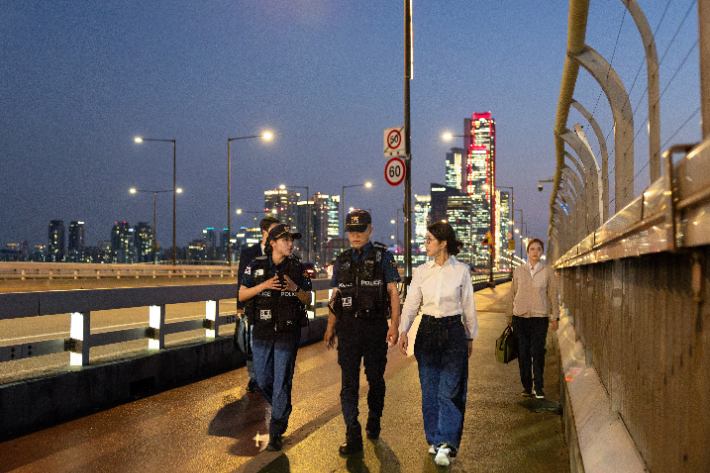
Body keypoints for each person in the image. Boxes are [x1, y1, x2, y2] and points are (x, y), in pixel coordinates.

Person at [398, 222, 478, 467]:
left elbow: (468, 306)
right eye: (425, 239)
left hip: (454, 330)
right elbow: (411, 304)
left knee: (451, 389)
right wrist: (403, 330)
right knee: (430, 390)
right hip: (428, 331)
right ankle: (434, 438)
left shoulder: (461, 271)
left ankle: (446, 443)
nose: (426, 244)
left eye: (429, 239)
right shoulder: (422, 272)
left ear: (443, 243)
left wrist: (470, 335)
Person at [323, 209, 401, 455]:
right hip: (348, 330)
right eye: (351, 231)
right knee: (348, 384)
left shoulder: (383, 258)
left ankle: (374, 417)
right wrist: (330, 328)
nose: (355, 235)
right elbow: (336, 296)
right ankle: (352, 431)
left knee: (376, 379)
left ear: (370, 230)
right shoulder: (342, 260)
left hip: (375, 327)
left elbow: (393, 293)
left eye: (360, 230)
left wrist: (395, 325)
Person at [239, 224, 312, 451]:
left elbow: (308, 299)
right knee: (263, 380)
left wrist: (294, 288)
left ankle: (277, 429)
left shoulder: (298, 268)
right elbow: (242, 294)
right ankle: (283, 407)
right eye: (285, 240)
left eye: (292, 240)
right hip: (261, 332)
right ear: (272, 243)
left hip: (287, 333)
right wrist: (264, 285)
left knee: (281, 381)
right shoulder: (256, 266)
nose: (290, 244)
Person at [505, 238, 559, 400]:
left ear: (542, 252)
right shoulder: (519, 270)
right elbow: (512, 293)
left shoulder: (547, 272)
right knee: (523, 353)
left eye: (538, 249)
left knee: (538, 352)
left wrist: (555, 316)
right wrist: (509, 315)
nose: (535, 252)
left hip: (539, 318)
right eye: (532, 249)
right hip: (520, 317)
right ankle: (527, 386)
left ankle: (539, 386)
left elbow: (552, 295)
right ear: (528, 252)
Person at [236, 217, 279, 393]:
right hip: (253, 305)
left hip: (275, 306)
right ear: (264, 232)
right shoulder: (248, 253)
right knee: (252, 344)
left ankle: (270, 376)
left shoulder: (280, 251)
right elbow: (241, 281)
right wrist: (239, 306)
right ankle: (254, 378)